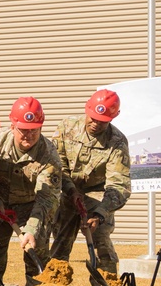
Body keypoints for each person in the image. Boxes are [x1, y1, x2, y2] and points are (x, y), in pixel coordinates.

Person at [0, 96, 62, 286]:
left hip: (32, 208)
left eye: (34, 130)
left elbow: (47, 198)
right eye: (23, 130)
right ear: (13, 126)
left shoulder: (49, 155)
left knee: (36, 252)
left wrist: (32, 228)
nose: (28, 136)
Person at [50, 89, 131, 274]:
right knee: (61, 240)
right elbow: (56, 165)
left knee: (101, 236)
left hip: (97, 193)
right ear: (87, 109)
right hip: (66, 189)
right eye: (93, 118)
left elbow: (119, 185)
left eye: (102, 121)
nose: (95, 124)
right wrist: (71, 190)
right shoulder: (66, 127)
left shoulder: (117, 143)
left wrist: (100, 214)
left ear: (113, 118)